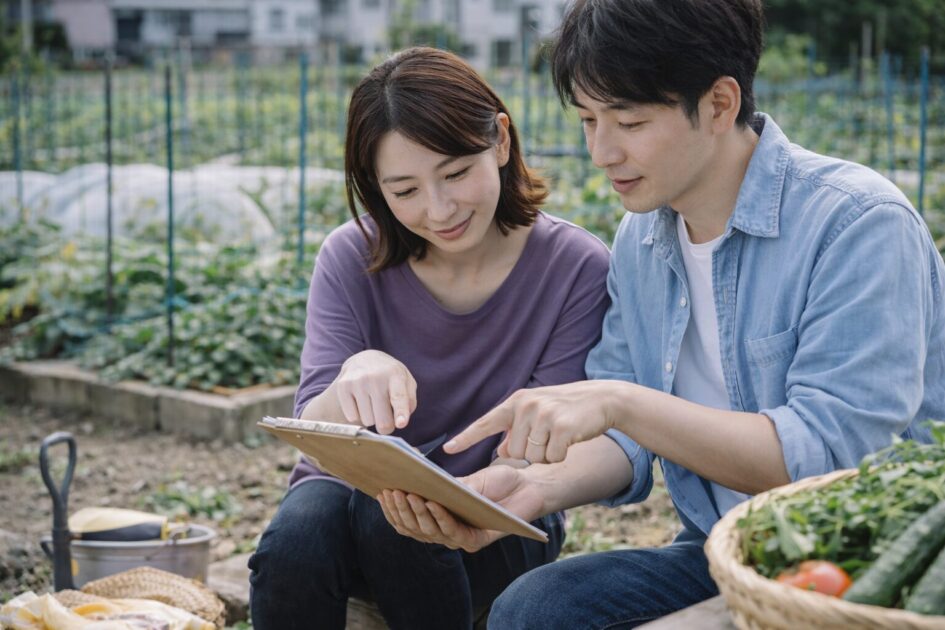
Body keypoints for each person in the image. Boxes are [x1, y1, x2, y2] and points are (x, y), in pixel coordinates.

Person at [378, 1, 945, 627]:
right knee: (535, 608)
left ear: (720, 104)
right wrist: (531, 489)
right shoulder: (642, 239)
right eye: (588, 120)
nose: (601, 151)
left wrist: (623, 403)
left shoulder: (856, 224)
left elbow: (832, 457)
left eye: (630, 122)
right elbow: (624, 439)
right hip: (725, 550)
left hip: (875, 564)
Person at [246, 47, 610, 630]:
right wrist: (354, 373)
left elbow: (535, 452)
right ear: (376, 187)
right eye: (405, 190)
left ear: (500, 141)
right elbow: (314, 438)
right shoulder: (350, 255)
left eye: (456, 174)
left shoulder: (574, 267)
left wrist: (438, 490)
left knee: (390, 518)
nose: (439, 211)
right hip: (347, 501)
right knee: (299, 536)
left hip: (493, 515)